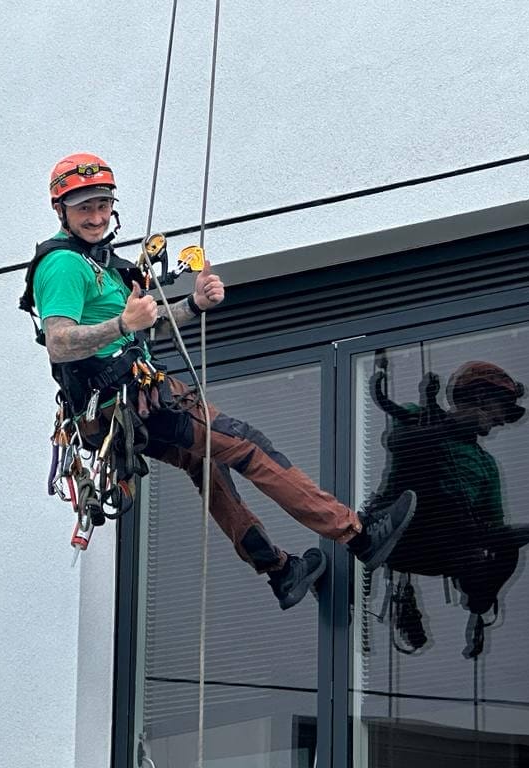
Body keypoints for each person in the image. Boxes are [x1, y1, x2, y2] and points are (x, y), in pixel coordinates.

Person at [22, 152, 416, 610]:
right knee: (248, 445)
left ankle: (281, 570)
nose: (95, 216)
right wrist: (123, 325)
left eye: (102, 205)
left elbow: (147, 324)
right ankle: (359, 536)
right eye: (84, 207)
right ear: (61, 211)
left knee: (205, 465)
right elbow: (60, 342)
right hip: (129, 400)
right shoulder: (64, 265)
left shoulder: (102, 264)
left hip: (118, 410)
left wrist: (193, 306)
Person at [365, 356, 529, 657]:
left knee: (503, 545)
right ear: (481, 397)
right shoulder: (418, 417)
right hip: (401, 536)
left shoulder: (485, 466)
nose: (501, 421)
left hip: (449, 550)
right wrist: (437, 422)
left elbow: (492, 527)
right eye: (501, 410)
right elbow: (399, 442)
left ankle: (480, 602)